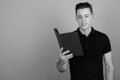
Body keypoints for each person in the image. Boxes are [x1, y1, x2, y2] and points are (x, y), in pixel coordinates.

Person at [56, 2, 114, 80]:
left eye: (86, 16)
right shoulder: (69, 39)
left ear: (92, 17)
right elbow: (61, 69)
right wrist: (62, 61)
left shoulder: (103, 38)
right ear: (76, 18)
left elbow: (109, 67)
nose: (83, 20)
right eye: (80, 17)